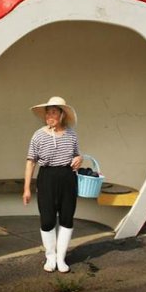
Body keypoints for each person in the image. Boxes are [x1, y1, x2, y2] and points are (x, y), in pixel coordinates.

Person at [23, 96, 83, 273]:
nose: (50, 115)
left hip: (67, 177)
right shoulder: (38, 135)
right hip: (47, 178)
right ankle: (50, 257)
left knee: (66, 218)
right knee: (47, 219)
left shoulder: (71, 134)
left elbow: (77, 155)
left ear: (62, 114)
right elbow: (30, 162)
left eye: (54, 112)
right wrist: (26, 188)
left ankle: (61, 258)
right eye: (47, 112)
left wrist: (79, 158)